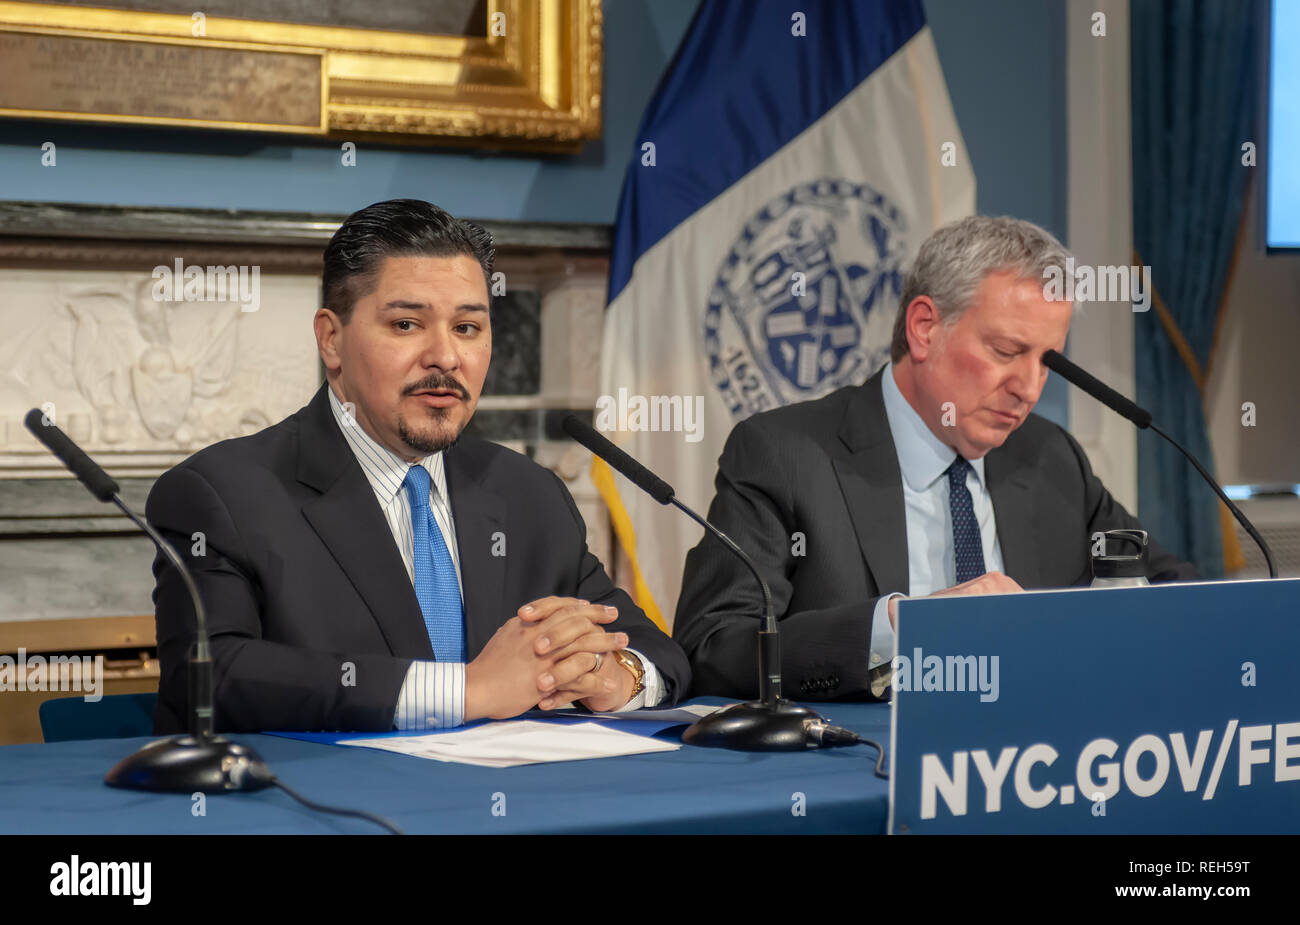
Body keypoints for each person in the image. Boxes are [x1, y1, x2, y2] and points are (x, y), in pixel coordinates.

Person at [148, 199, 689, 733]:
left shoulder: (528, 493)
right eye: (407, 324)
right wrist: (469, 690)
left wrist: (612, 677)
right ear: (331, 340)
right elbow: (210, 677)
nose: (445, 358)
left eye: (468, 328)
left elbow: (656, 651)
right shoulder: (223, 493)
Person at [674, 215, 1196, 702]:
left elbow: (1172, 591)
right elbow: (715, 647)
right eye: (1007, 352)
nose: (1029, 388)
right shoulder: (784, 453)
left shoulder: (1049, 456)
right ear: (924, 328)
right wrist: (901, 627)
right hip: (862, 771)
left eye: (1048, 362)